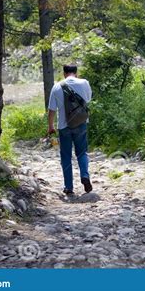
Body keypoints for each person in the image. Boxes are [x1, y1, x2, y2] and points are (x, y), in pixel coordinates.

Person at [48, 64, 92, 195]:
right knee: (82, 153)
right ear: (76, 72)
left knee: (66, 156)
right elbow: (88, 99)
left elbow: (51, 110)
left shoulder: (57, 87)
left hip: (64, 126)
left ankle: (69, 187)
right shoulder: (84, 83)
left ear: (64, 73)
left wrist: (50, 126)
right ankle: (85, 175)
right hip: (81, 123)